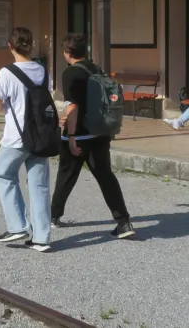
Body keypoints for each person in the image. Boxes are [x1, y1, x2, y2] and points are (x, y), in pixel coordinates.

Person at [50, 33, 136, 239]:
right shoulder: (96, 69)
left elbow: (73, 105)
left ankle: (53, 216)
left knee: (66, 175)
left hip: (79, 133)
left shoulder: (70, 73)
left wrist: (70, 136)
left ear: (67, 53)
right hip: (100, 132)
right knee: (106, 176)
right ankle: (123, 222)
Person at [0, 27, 53, 252]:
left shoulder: (7, 73)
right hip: (40, 135)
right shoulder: (43, 71)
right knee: (39, 185)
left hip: (16, 138)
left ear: (10, 46)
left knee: (4, 175)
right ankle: (42, 238)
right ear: (31, 45)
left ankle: (17, 226)